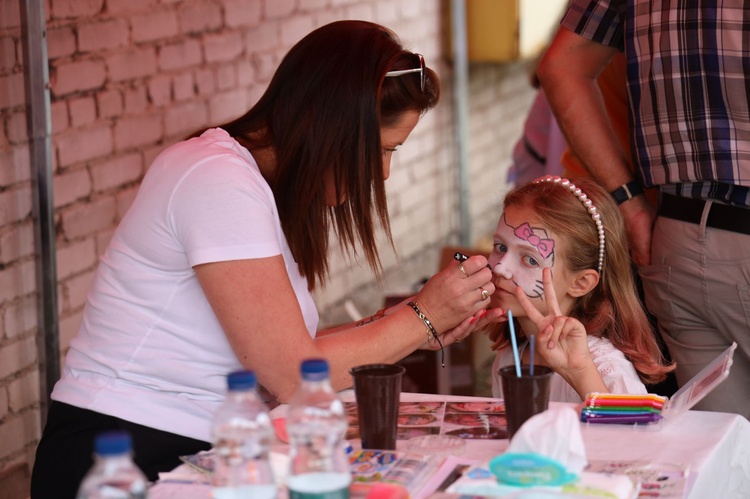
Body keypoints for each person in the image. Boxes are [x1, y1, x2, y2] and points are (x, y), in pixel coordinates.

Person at [31, 20, 503, 498]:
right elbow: (291, 376)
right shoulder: (216, 180)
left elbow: (289, 352)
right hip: (125, 456)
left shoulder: (250, 185)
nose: (382, 173)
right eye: (381, 150)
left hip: (205, 449)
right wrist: (422, 318)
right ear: (332, 125)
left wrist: (408, 320)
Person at [538, 1, 750, 418]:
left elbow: (562, 64)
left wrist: (630, 205)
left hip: (677, 237)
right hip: (688, 231)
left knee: (721, 455)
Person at [487, 176, 674, 403]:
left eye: (530, 260)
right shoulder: (510, 359)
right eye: (500, 247)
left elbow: (632, 436)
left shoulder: (605, 366)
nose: (500, 267)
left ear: (580, 283)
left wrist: (580, 373)